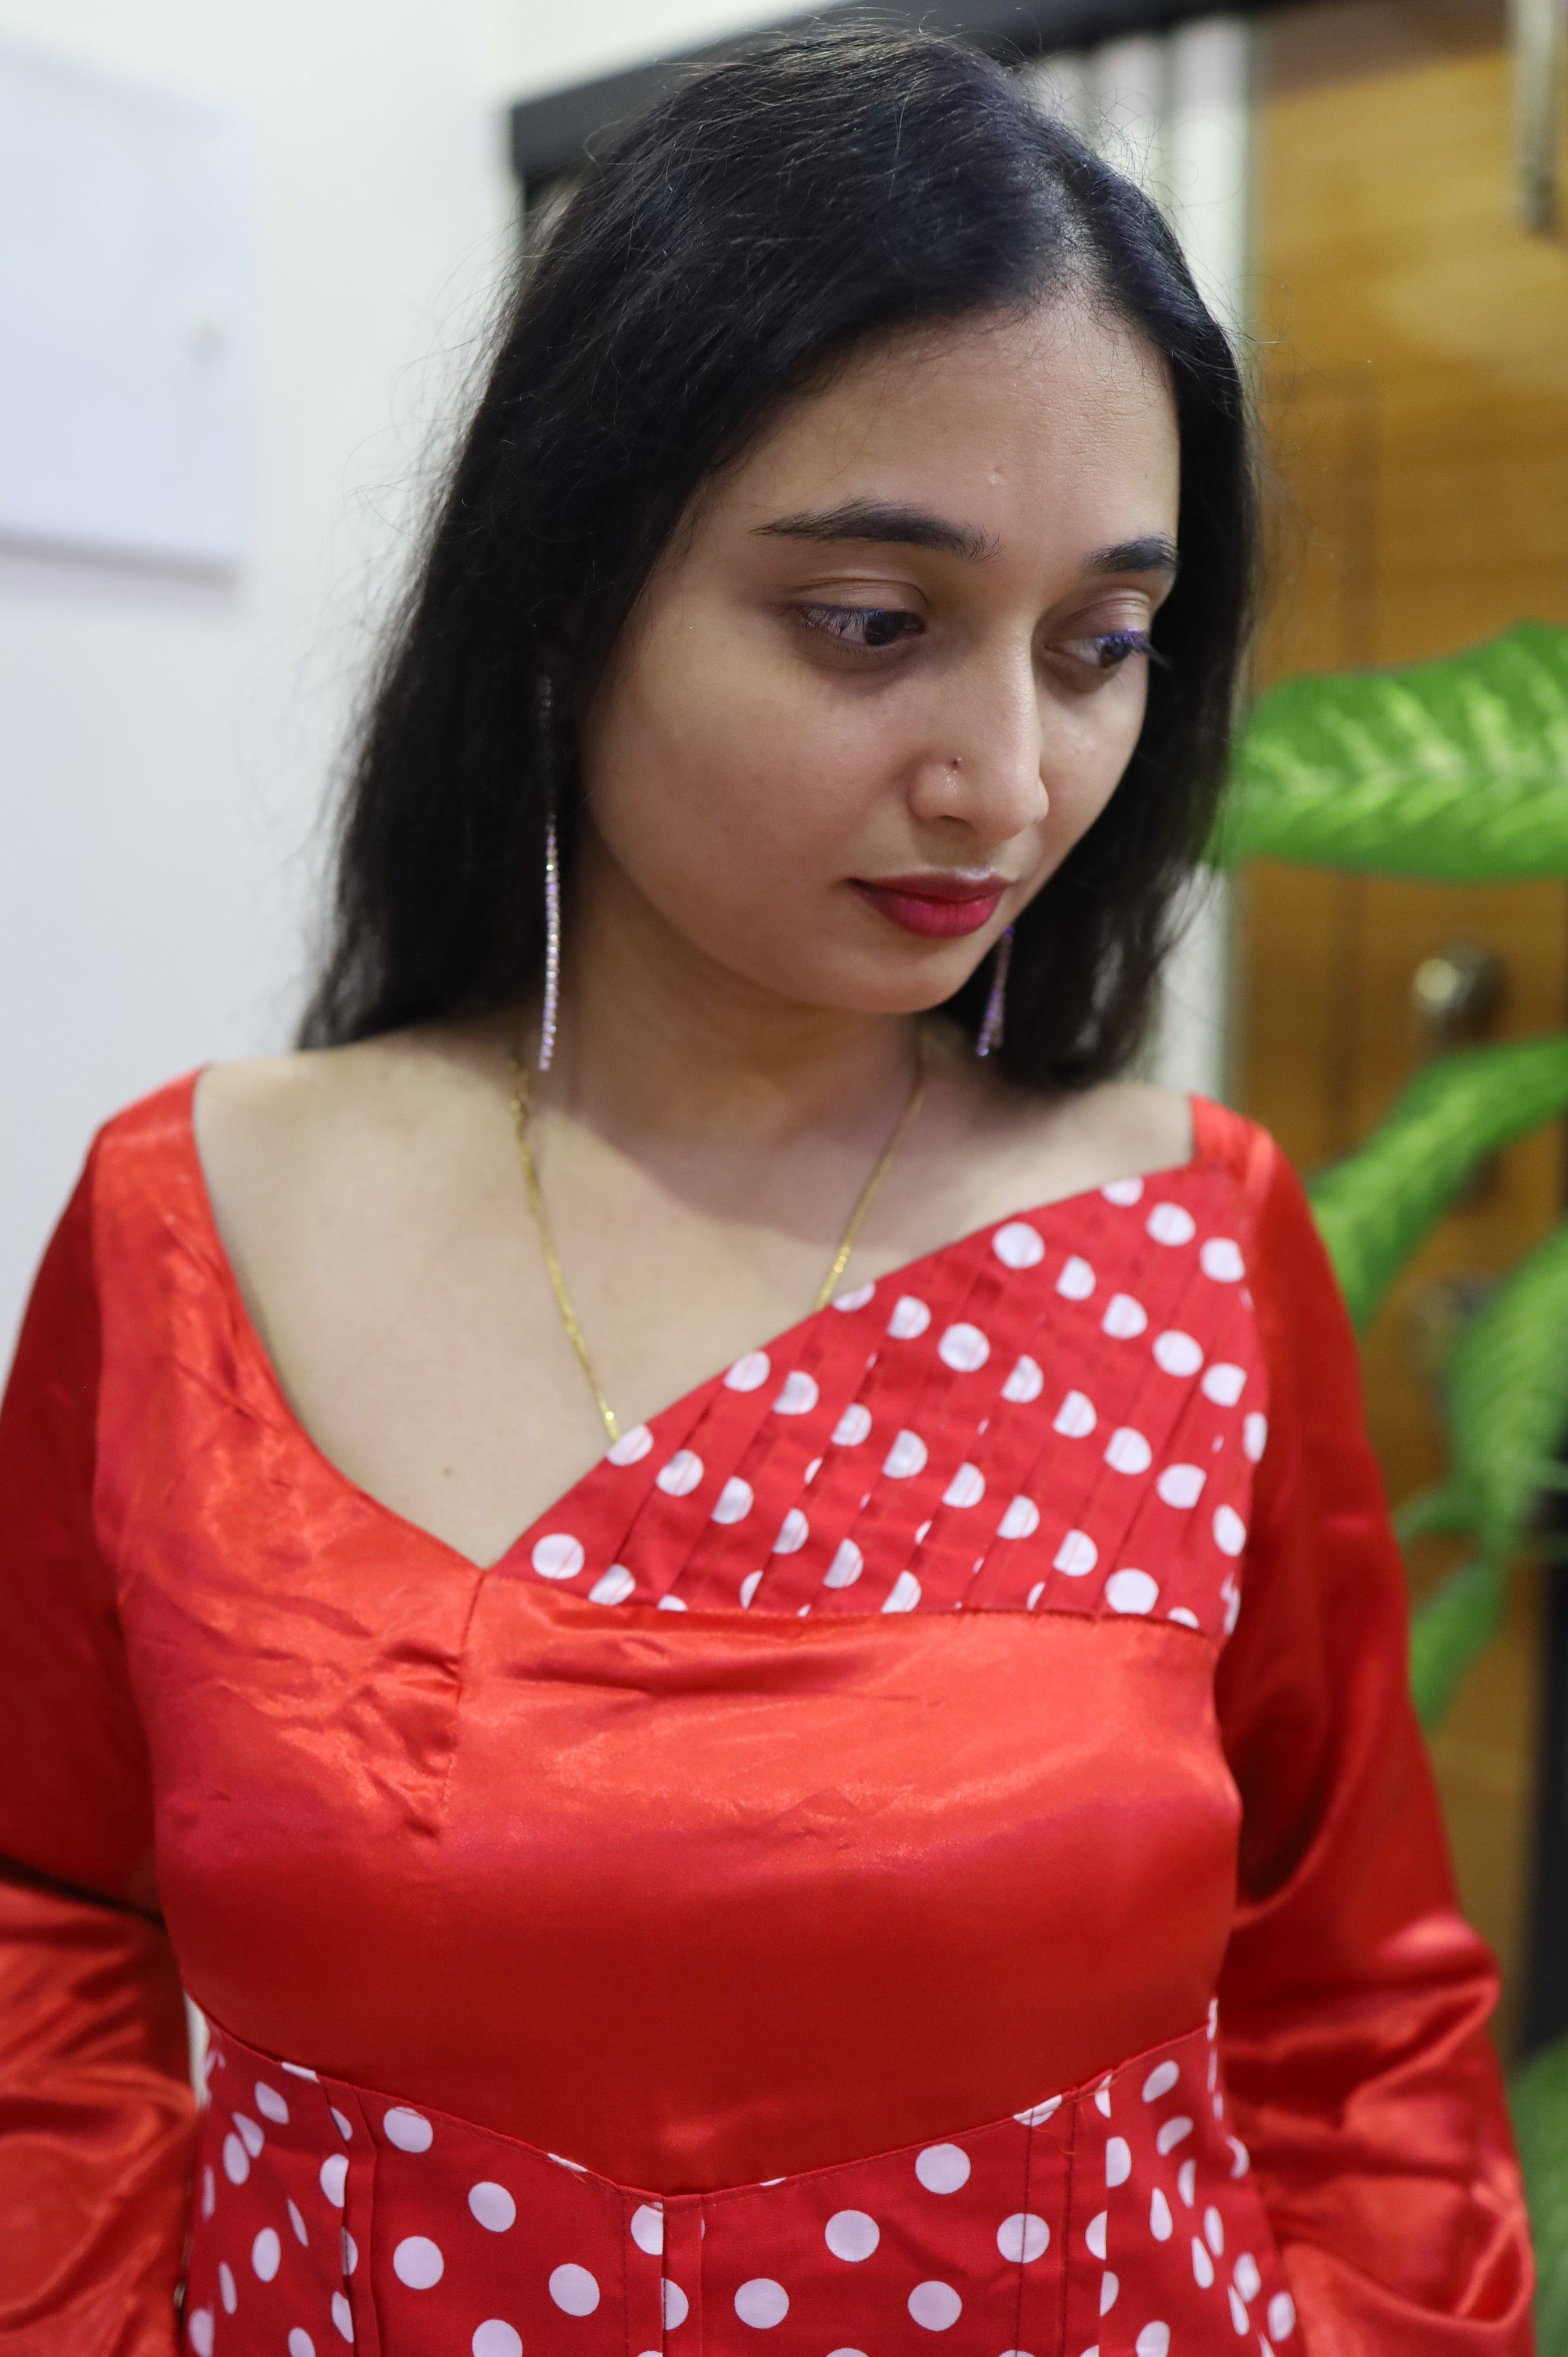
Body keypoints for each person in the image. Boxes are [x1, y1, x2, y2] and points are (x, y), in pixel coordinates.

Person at [0, 25, 1532, 2356]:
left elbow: (1360, 2021)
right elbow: (35, 1905)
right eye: (866, 625)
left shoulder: (1192, 1235)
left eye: (1101, 645)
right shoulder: (190, 1216)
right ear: (560, 595)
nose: (1007, 778)